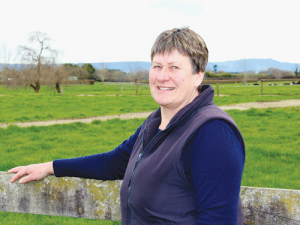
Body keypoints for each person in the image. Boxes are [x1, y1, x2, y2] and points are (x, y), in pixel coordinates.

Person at [9, 27, 245, 225]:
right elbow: (113, 163)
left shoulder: (212, 132)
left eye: (174, 67)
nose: (162, 76)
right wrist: (51, 166)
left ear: (198, 75)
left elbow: (218, 219)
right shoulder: (155, 124)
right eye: (157, 66)